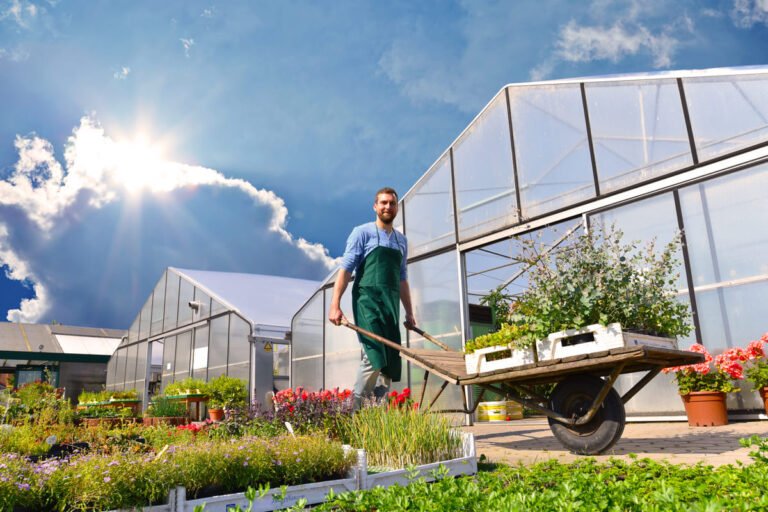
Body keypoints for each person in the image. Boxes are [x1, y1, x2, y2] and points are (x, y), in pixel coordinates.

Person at [329, 187, 416, 409]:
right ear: (375, 207)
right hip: (367, 300)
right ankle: (354, 413)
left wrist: (409, 312)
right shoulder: (362, 232)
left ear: (397, 207)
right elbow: (346, 270)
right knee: (374, 356)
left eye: (392, 203)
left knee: (390, 360)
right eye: (383, 203)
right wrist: (335, 305)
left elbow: (402, 278)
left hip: (390, 304)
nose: (388, 207)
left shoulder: (401, 241)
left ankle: (376, 413)